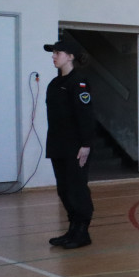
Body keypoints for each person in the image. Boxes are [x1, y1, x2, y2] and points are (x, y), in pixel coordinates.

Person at [44, 38, 96, 249]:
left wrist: (85, 144)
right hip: (58, 144)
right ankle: (72, 229)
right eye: (53, 52)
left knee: (77, 188)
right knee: (64, 189)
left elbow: (85, 115)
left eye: (58, 52)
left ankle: (82, 231)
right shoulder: (55, 84)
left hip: (76, 146)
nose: (54, 56)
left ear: (71, 56)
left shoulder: (79, 82)